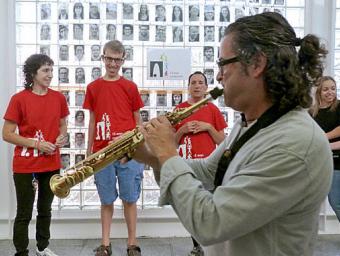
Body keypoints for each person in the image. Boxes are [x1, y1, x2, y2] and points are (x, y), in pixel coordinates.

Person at [133, 12, 331, 256]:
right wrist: (152, 156)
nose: (218, 76)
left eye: (222, 64)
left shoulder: (295, 143)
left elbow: (211, 222)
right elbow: (208, 172)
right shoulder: (250, 123)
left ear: (257, 64)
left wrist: (167, 152)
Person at [2, 54, 69, 256]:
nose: (50, 74)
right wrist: (36, 144)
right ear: (33, 74)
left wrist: (62, 137)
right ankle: (21, 252)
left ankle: (42, 247)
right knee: (24, 212)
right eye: (45, 70)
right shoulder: (19, 99)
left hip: (51, 163)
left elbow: (62, 125)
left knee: (45, 209)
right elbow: (6, 134)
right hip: (25, 165)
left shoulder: (58, 98)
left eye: (51, 69)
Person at [83, 40, 144, 256]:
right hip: (102, 152)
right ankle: (106, 244)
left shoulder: (130, 87)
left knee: (130, 198)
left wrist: (138, 148)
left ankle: (132, 243)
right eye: (109, 58)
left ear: (123, 61)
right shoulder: (93, 87)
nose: (113, 63)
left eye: (117, 60)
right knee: (106, 199)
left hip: (128, 152)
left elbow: (137, 120)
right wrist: (88, 150)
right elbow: (91, 120)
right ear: (103, 58)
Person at [174, 72, 227, 255]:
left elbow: (222, 141)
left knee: (210, 208)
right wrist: (181, 130)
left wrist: (208, 127)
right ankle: (197, 247)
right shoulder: (179, 110)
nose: (197, 86)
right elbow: (171, 143)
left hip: (209, 168)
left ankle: (211, 246)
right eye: (193, 83)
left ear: (206, 87)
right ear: (188, 86)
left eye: (200, 83)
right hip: (187, 166)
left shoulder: (212, 110)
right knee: (192, 209)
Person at [310, 76, 340, 222]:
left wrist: (323, 139)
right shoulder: (312, 113)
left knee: (336, 201)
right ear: (319, 92)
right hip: (322, 163)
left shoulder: (339, 107)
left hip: (338, 163)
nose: (330, 92)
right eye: (326, 89)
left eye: (333, 89)